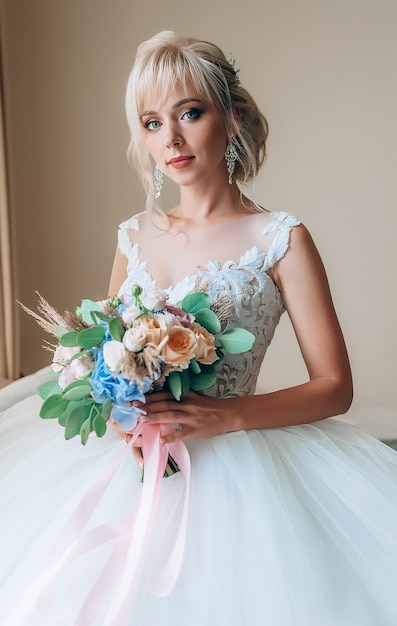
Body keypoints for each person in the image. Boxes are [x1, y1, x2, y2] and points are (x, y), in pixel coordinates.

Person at [1, 30, 397, 626]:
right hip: (133, 463)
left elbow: (335, 386)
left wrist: (228, 416)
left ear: (232, 118)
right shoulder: (134, 234)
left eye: (190, 112)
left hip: (244, 469)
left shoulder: (281, 238)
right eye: (152, 122)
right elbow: (109, 357)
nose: (172, 139)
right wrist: (122, 416)